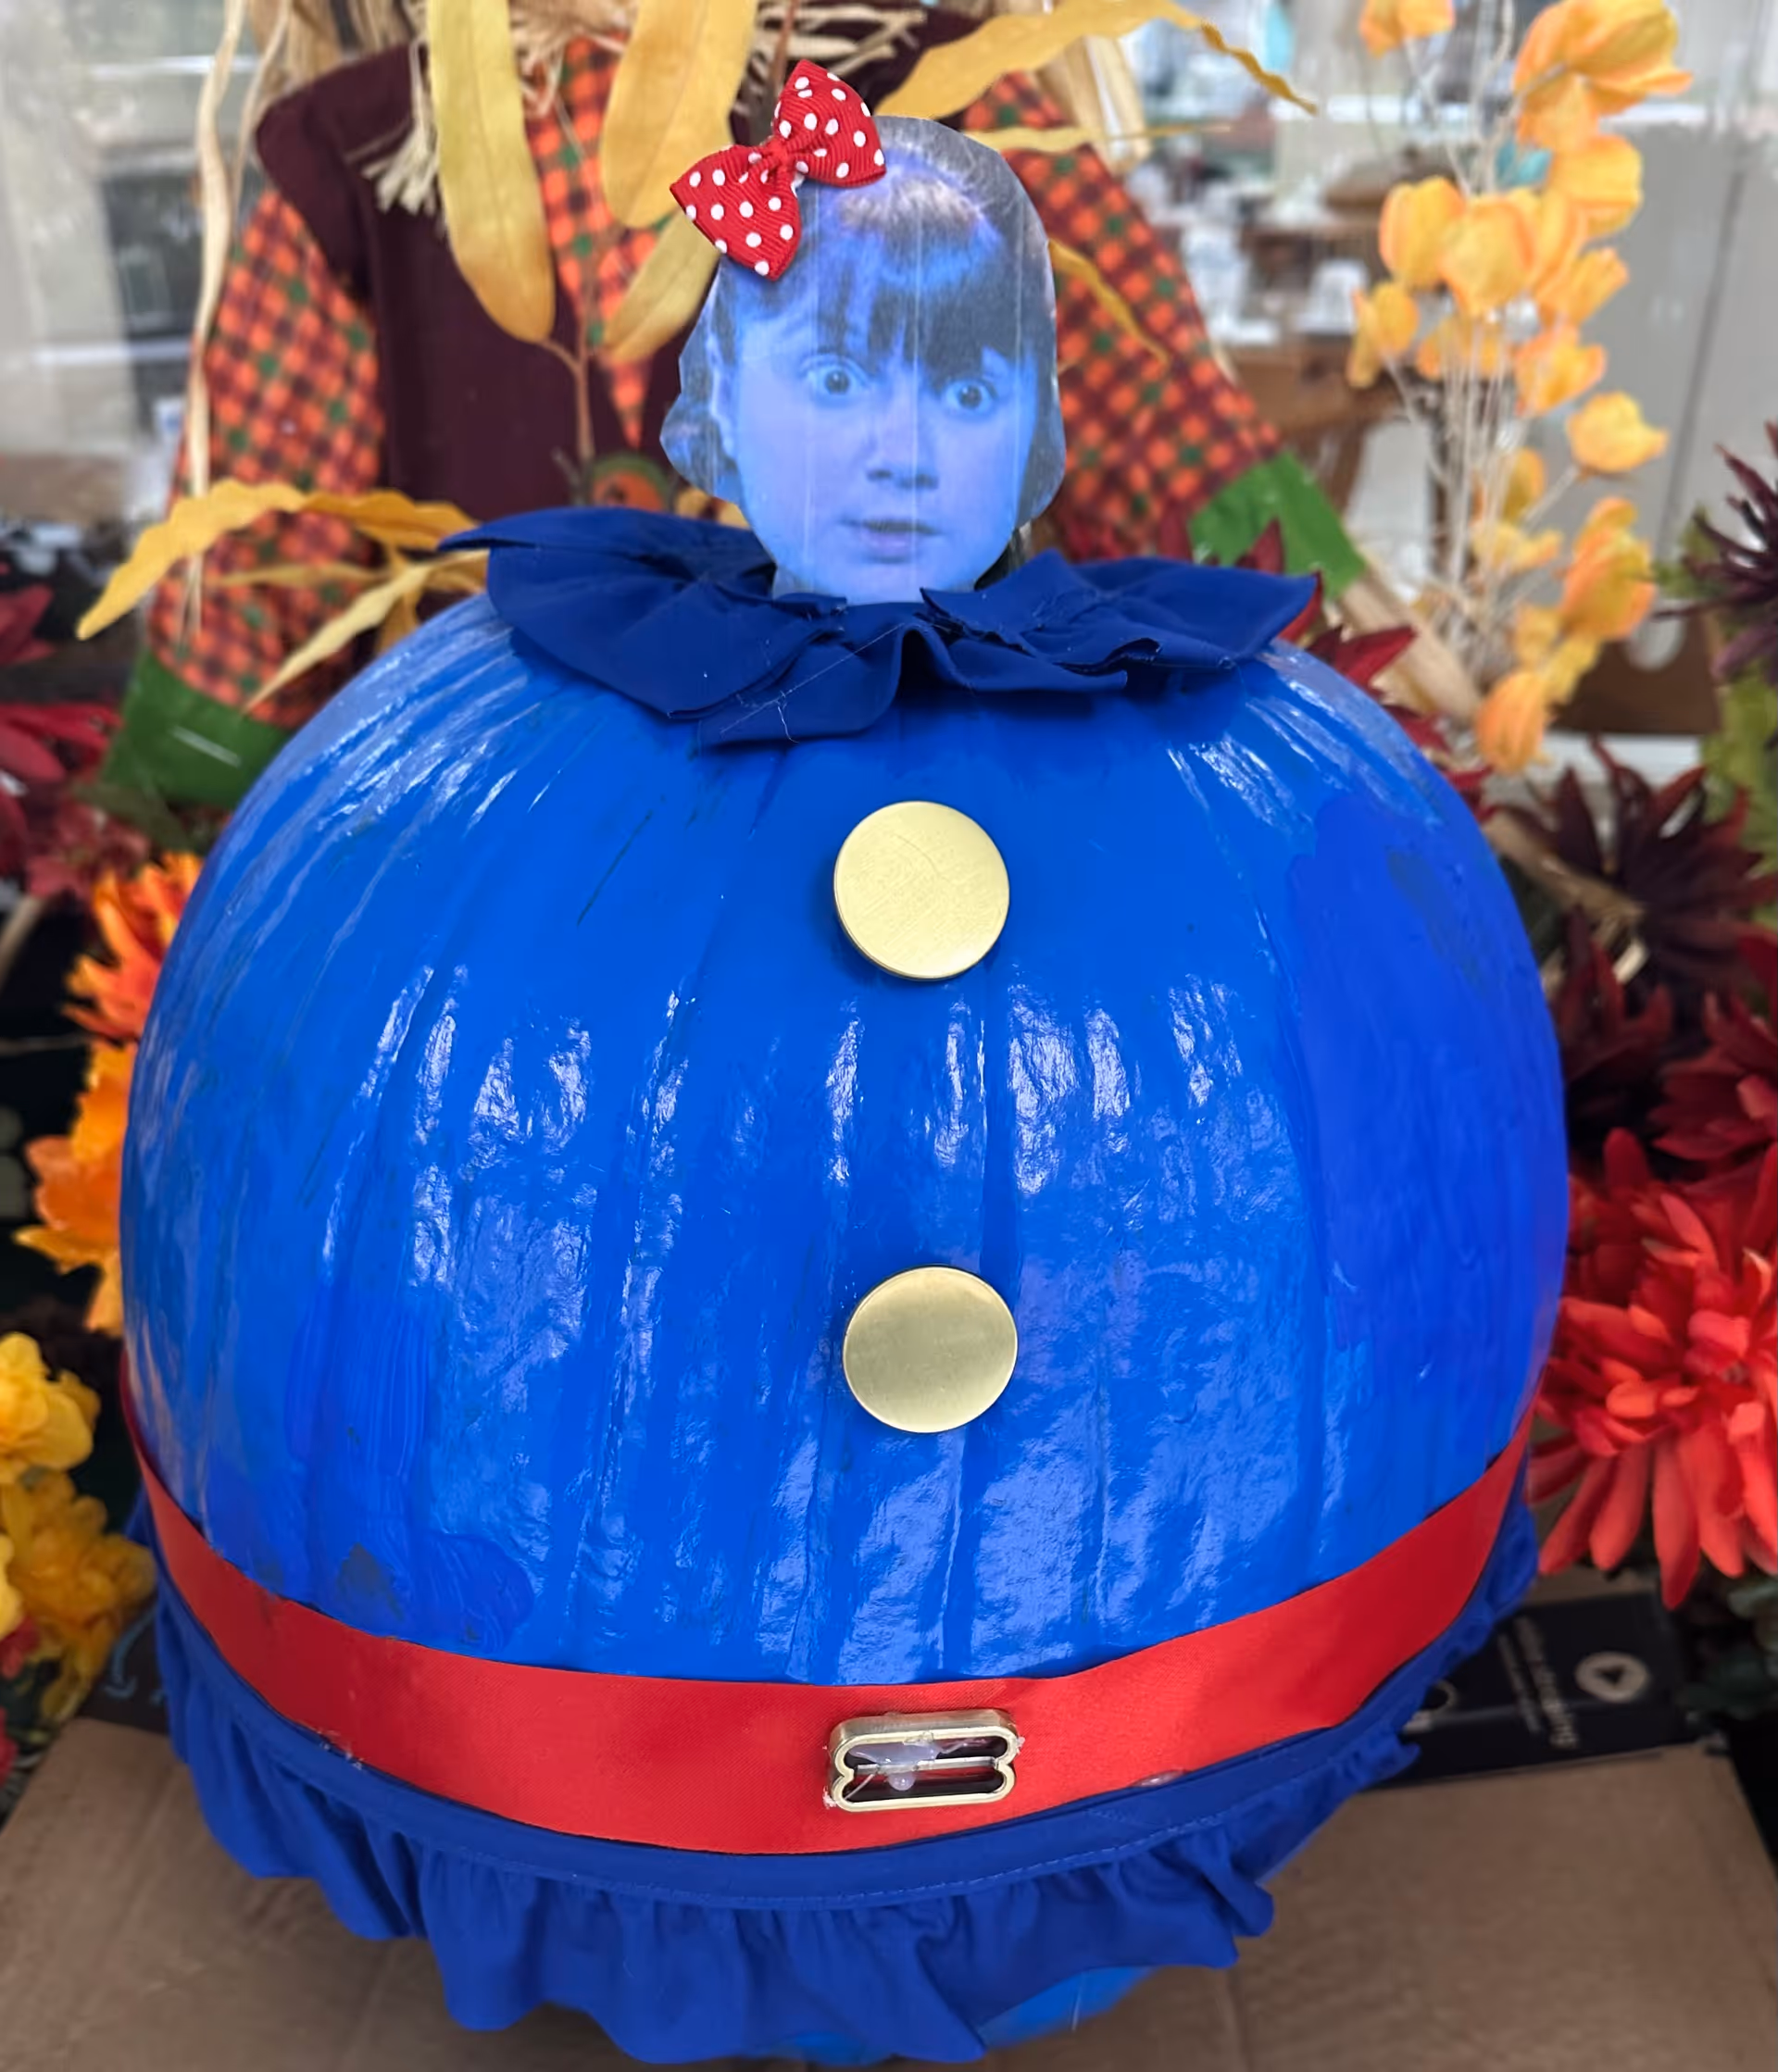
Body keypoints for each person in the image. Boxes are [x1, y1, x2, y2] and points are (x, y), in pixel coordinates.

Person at [662, 118, 1065, 604]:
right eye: (836, 380)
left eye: (968, 393)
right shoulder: (623, 664)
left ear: (1038, 416)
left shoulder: (1130, 667)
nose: (903, 458)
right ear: (723, 394)